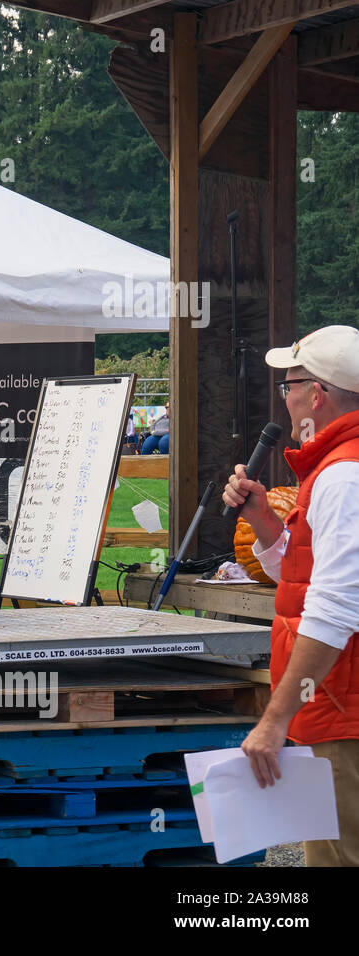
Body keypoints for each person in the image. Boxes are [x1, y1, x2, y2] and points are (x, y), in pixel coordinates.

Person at [222, 324, 359, 866]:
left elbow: (333, 610)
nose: (285, 397)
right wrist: (263, 520)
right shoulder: (339, 467)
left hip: (342, 708)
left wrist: (275, 719)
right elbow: (307, 582)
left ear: (317, 395)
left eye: (289, 385)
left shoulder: (342, 477)